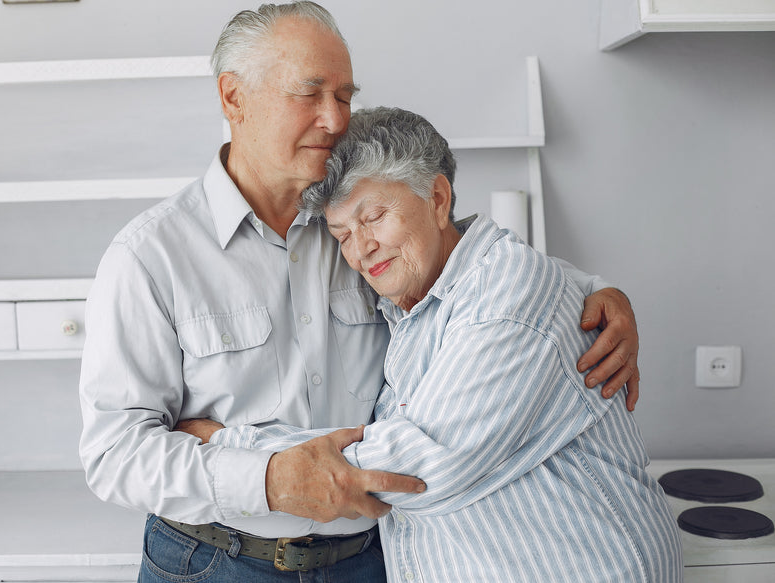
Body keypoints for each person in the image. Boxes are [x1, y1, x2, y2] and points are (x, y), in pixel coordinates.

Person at [78, 2, 644, 581]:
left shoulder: (355, 227)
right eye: (311, 92)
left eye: (345, 96)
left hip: (369, 561)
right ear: (233, 98)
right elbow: (113, 455)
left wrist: (594, 294)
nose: (335, 119)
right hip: (214, 561)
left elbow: (469, 268)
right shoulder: (149, 257)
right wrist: (268, 478)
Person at [195, 106, 683, 582]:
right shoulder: (409, 301)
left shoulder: (506, 292)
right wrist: (599, 285)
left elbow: (419, 466)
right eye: (342, 234)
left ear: (437, 198)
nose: (361, 250)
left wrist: (228, 443)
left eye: (375, 216)